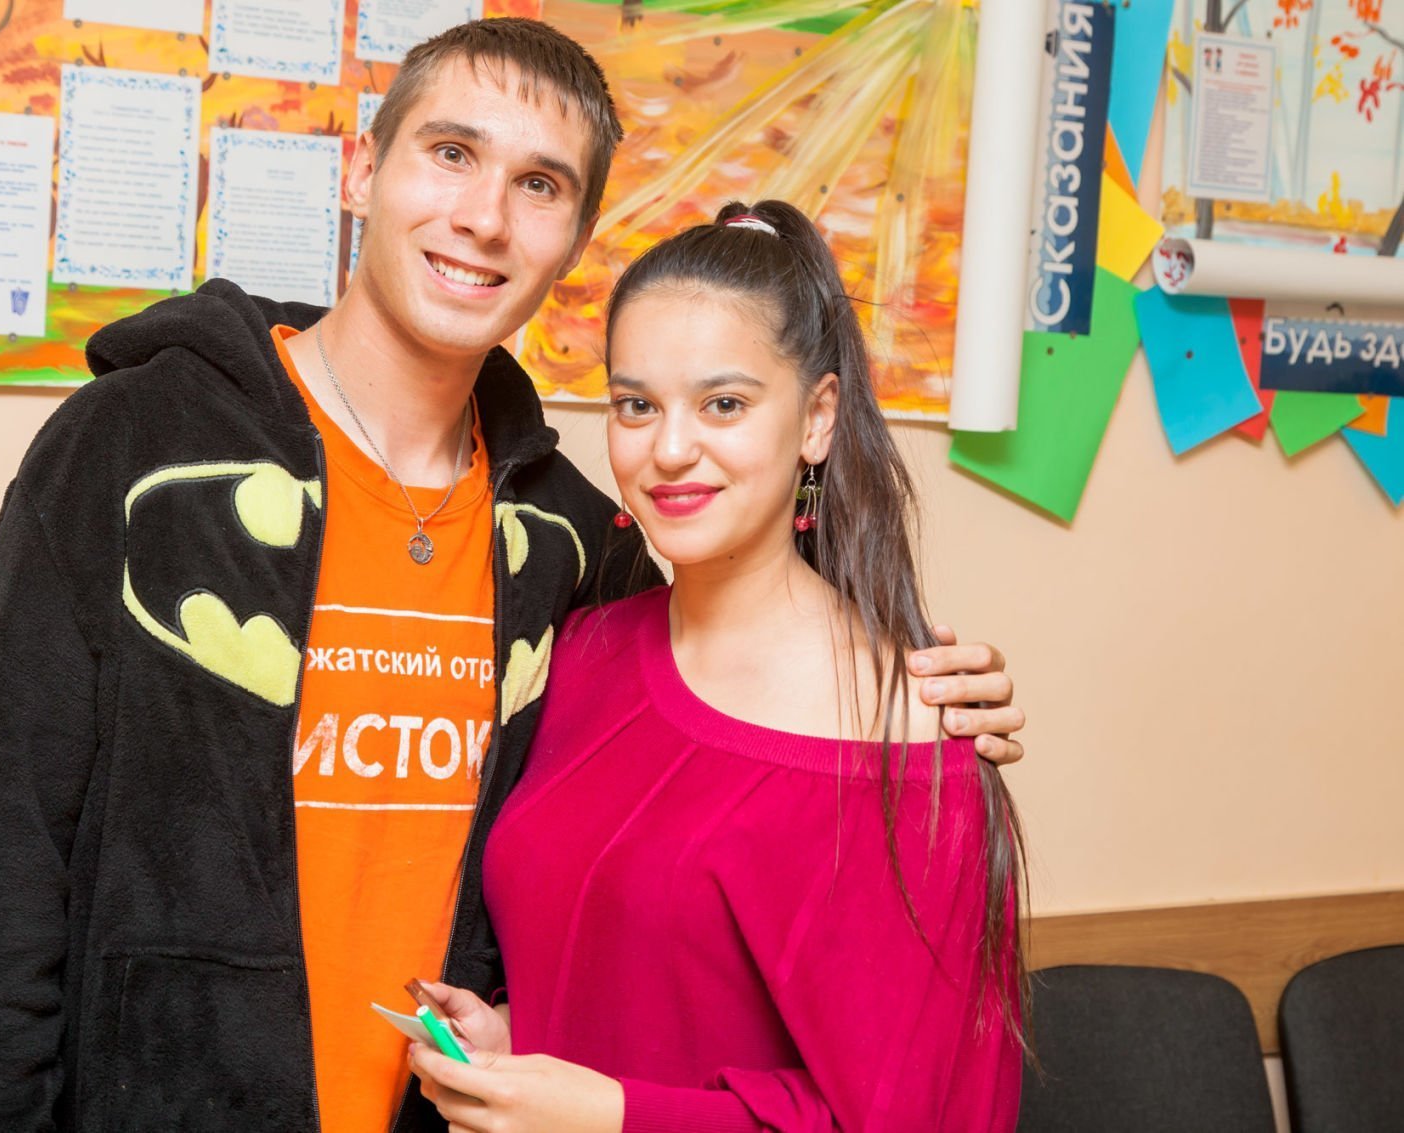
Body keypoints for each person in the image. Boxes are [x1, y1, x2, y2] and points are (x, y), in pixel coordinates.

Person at [0, 21, 1025, 1133]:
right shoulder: (137, 450)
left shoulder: (575, 542)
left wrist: (921, 688)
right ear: (362, 169)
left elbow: (726, 707)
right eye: (451, 152)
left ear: (573, 241)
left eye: (538, 185)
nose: (484, 216)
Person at [407, 201, 1027, 1131]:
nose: (668, 449)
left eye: (724, 404)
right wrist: (512, 1041)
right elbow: (627, 978)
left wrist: (608, 1115)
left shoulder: (909, 742)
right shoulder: (582, 652)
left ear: (818, 417)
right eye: (636, 404)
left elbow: (908, 1117)